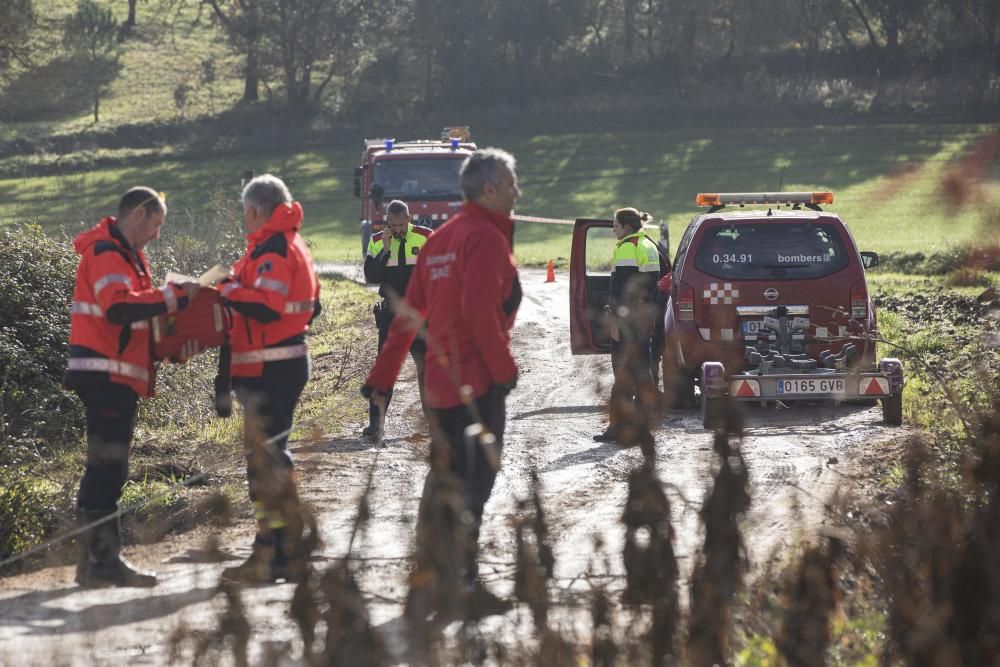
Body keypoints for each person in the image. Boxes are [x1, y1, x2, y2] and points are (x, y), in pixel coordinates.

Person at [361, 148, 521, 612]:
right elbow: (478, 311)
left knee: (444, 477)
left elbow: (406, 317)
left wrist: (381, 377)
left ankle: (428, 577)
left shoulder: (439, 241)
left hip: (440, 386)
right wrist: (504, 371)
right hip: (477, 383)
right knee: (475, 482)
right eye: (512, 184)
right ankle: (460, 585)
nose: (517, 192)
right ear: (490, 190)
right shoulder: (485, 239)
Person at [65, 187, 199, 587]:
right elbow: (119, 308)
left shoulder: (126, 256)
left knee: (105, 467)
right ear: (139, 214)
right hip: (104, 375)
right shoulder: (107, 253)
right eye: (156, 224)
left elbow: (136, 320)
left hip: (115, 374)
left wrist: (171, 349)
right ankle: (103, 564)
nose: (157, 235)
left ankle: (91, 564)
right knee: (108, 468)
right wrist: (174, 297)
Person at [218, 174, 321, 584]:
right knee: (267, 461)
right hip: (269, 366)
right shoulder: (274, 245)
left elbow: (267, 308)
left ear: (256, 209)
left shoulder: (275, 248)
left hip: (273, 368)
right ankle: (282, 547)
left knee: (267, 462)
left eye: (245, 212)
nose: (245, 219)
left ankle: (279, 551)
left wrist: (225, 287)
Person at [362, 199, 432, 439]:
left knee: (427, 370)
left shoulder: (426, 237)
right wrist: (386, 248)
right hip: (391, 316)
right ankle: (376, 425)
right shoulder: (376, 241)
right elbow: (371, 275)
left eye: (402, 224)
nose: (399, 229)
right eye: (394, 225)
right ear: (387, 223)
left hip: (421, 315)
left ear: (409, 219)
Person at [594, 207, 661, 447]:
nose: (613, 228)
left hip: (628, 322)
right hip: (644, 319)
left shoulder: (627, 248)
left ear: (627, 227)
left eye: (616, 224)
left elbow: (622, 291)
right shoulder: (648, 245)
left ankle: (617, 427)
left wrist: (616, 323)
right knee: (644, 372)